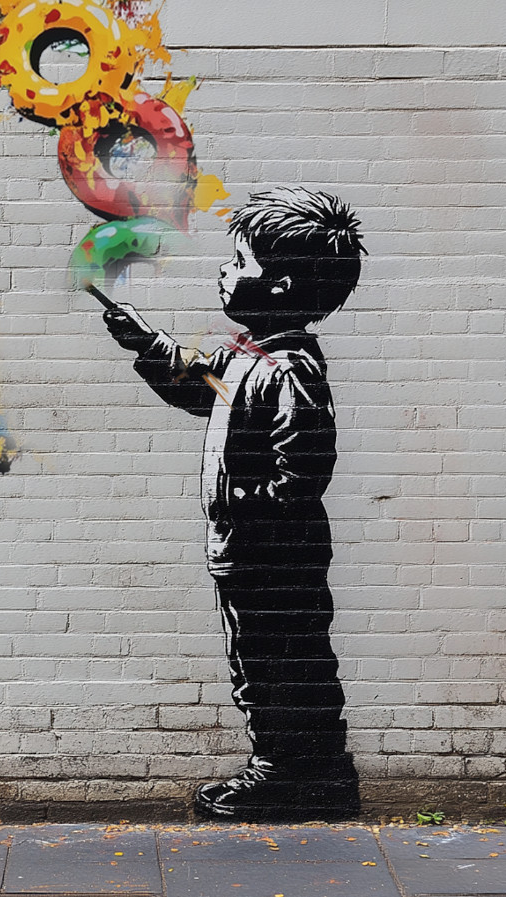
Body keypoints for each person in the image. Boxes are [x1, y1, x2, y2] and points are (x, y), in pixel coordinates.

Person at [102, 186, 366, 820]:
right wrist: (145, 341)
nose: (225, 270)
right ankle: (289, 769)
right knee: (257, 660)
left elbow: (302, 464)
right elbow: (197, 387)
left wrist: (255, 506)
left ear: (278, 287)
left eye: (240, 261)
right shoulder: (246, 356)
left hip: (275, 554)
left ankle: (301, 773)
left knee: (286, 662)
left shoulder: (291, 368)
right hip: (244, 551)